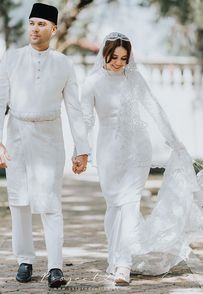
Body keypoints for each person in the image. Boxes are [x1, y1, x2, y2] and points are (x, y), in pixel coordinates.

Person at [80, 32, 203, 286]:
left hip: (138, 150)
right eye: (114, 57)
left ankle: (123, 264)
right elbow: (85, 120)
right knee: (115, 205)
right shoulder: (92, 82)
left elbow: (155, 109)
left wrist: (175, 141)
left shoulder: (134, 79)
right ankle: (114, 257)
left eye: (123, 58)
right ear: (105, 53)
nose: (118, 62)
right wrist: (81, 151)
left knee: (130, 203)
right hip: (108, 152)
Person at [0, 3, 89, 288]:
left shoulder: (64, 63)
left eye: (41, 24)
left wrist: (81, 149)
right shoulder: (12, 58)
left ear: (53, 29)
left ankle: (55, 266)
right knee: (18, 200)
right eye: (32, 23)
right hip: (17, 135)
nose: (35, 28)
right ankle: (24, 260)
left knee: (50, 202)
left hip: (49, 135)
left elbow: (74, 109)